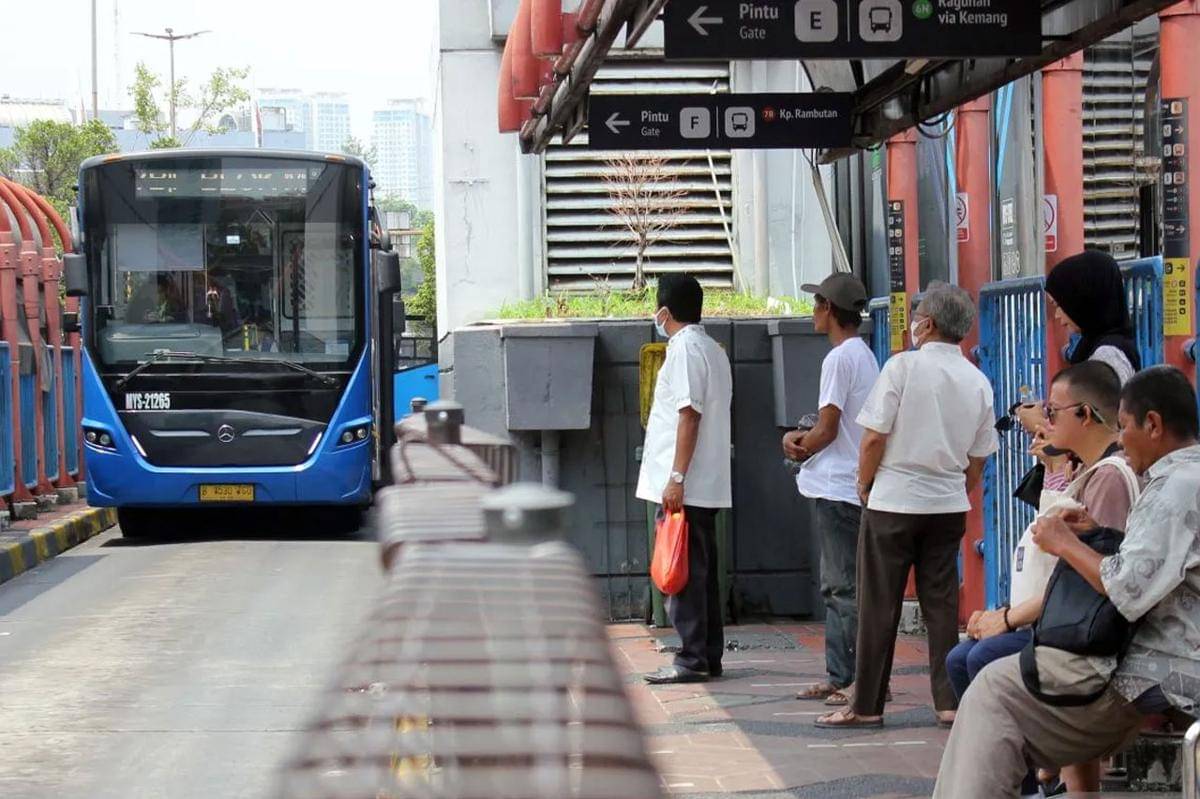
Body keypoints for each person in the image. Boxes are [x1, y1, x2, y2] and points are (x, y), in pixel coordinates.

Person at [933, 366, 1200, 798]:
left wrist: (1062, 543)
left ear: (1152, 425)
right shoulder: (1184, 479)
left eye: (1126, 426)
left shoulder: (1174, 487)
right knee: (999, 672)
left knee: (994, 689)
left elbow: (1125, 589)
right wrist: (1094, 531)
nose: (1121, 437)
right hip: (1162, 656)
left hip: (1158, 668)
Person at [815, 282, 998, 729]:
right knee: (940, 606)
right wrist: (959, 490)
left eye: (918, 316)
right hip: (947, 504)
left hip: (894, 500)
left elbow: (873, 437)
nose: (913, 323)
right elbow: (978, 459)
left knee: (878, 605)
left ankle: (867, 705)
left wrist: (864, 483)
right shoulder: (978, 381)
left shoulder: (901, 368)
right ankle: (947, 700)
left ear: (928, 324)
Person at [784, 272, 879, 704]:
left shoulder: (838, 360)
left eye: (816, 303)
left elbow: (826, 429)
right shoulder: (864, 355)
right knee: (848, 587)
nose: (813, 311)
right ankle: (849, 676)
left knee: (840, 588)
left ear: (828, 309)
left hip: (837, 487)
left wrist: (793, 443)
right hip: (851, 484)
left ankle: (847, 680)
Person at [639, 275, 733, 685]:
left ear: (664, 312)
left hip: (687, 483)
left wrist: (676, 477)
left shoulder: (687, 351)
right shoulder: (711, 350)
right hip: (704, 480)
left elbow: (688, 413)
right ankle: (707, 654)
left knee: (683, 573)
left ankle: (692, 658)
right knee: (700, 572)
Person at [1045, 249, 1141, 383]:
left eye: (1059, 305)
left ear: (1081, 300)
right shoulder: (1090, 345)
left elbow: (1096, 403)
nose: (1057, 315)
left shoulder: (1108, 357)